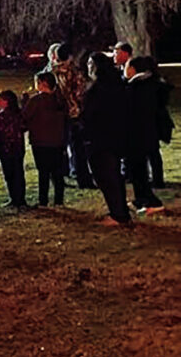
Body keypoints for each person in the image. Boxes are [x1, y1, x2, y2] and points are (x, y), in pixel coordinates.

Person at [83, 53, 130, 226]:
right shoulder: (117, 84)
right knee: (114, 175)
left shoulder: (98, 89)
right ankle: (120, 210)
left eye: (90, 63)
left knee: (106, 177)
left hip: (101, 138)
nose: (88, 67)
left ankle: (118, 214)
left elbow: (92, 114)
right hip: (116, 136)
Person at [47, 44, 94, 188]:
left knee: (58, 148)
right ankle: (83, 179)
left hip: (56, 115)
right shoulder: (73, 72)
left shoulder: (50, 72)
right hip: (74, 113)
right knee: (78, 149)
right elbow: (81, 93)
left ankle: (60, 178)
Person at [123, 56, 165, 215]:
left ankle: (152, 201)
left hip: (138, 134)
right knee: (136, 169)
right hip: (145, 132)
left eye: (127, 65)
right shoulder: (148, 84)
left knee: (138, 170)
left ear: (134, 69)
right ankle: (141, 199)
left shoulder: (138, 86)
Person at [22, 72, 68, 208]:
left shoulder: (36, 101)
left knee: (44, 172)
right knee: (57, 172)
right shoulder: (59, 100)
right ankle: (59, 200)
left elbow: (25, 116)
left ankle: (43, 201)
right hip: (57, 140)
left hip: (40, 140)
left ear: (43, 84)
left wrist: (24, 101)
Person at [0, 90, 27, 209]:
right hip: (18, 148)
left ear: (6, 102)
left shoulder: (1, 117)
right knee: (18, 174)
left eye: (0, 99)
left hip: (6, 149)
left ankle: (14, 198)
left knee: (10, 175)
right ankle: (20, 199)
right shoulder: (19, 114)